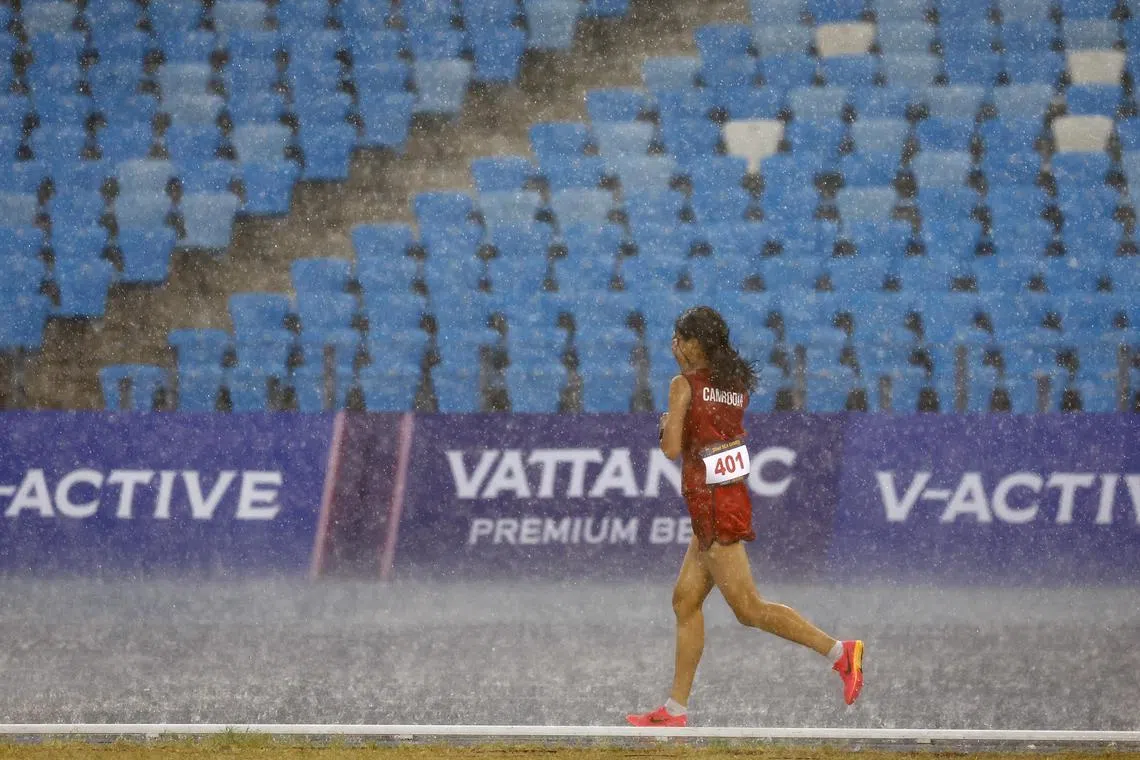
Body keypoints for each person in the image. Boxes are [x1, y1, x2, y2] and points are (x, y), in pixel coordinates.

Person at [626, 306, 864, 728]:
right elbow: (717, 432)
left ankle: (840, 652)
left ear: (696, 343)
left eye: (681, 338)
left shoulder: (682, 385)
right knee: (685, 600)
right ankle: (675, 711)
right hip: (725, 498)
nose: (675, 345)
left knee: (749, 609)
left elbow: (670, 449)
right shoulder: (733, 384)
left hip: (712, 506)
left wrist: (665, 423)